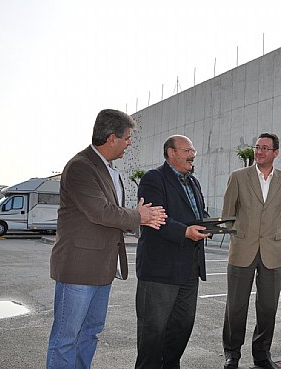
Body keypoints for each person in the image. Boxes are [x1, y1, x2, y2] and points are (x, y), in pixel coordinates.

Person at [47, 109, 167, 369]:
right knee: (66, 338)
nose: (129, 143)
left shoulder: (110, 170)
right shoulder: (80, 166)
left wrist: (139, 217)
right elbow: (100, 211)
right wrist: (139, 216)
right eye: (127, 138)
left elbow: (112, 215)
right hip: (78, 269)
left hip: (102, 268)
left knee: (90, 333)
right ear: (112, 138)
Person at [135, 135, 210, 369]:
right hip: (160, 270)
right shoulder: (153, 179)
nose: (193, 154)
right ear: (171, 153)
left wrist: (211, 224)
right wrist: (185, 232)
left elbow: (199, 213)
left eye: (193, 150)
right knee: (153, 332)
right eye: (187, 150)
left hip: (190, 267)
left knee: (182, 327)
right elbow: (155, 218)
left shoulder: (193, 182)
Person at [222, 133, 281, 369]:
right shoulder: (239, 177)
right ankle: (232, 353)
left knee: (268, 306)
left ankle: (262, 353)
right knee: (236, 305)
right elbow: (228, 214)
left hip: (272, 252)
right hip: (242, 249)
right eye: (257, 147)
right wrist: (243, 234)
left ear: (276, 152)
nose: (260, 151)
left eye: (265, 148)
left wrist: (271, 234)